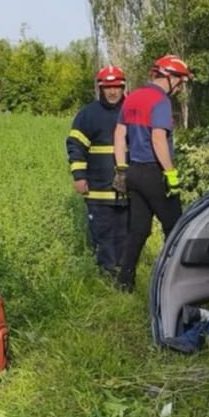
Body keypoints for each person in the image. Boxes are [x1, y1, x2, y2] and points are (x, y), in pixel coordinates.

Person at [112, 54, 193, 291]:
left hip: (133, 172)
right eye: (180, 80)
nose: (180, 87)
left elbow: (119, 134)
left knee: (139, 230)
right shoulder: (161, 101)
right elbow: (159, 140)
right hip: (154, 173)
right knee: (175, 228)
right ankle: (178, 283)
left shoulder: (132, 97)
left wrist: (121, 169)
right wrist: (170, 174)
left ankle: (124, 282)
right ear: (170, 77)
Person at [66, 65, 129, 275]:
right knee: (102, 231)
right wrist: (79, 176)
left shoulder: (133, 110)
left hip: (128, 189)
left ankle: (125, 269)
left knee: (125, 231)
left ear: (123, 87)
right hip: (98, 189)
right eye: (108, 87)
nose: (113, 92)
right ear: (100, 88)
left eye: (117, 87)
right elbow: (75, 146)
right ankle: (107, 272)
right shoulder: (88, 114)